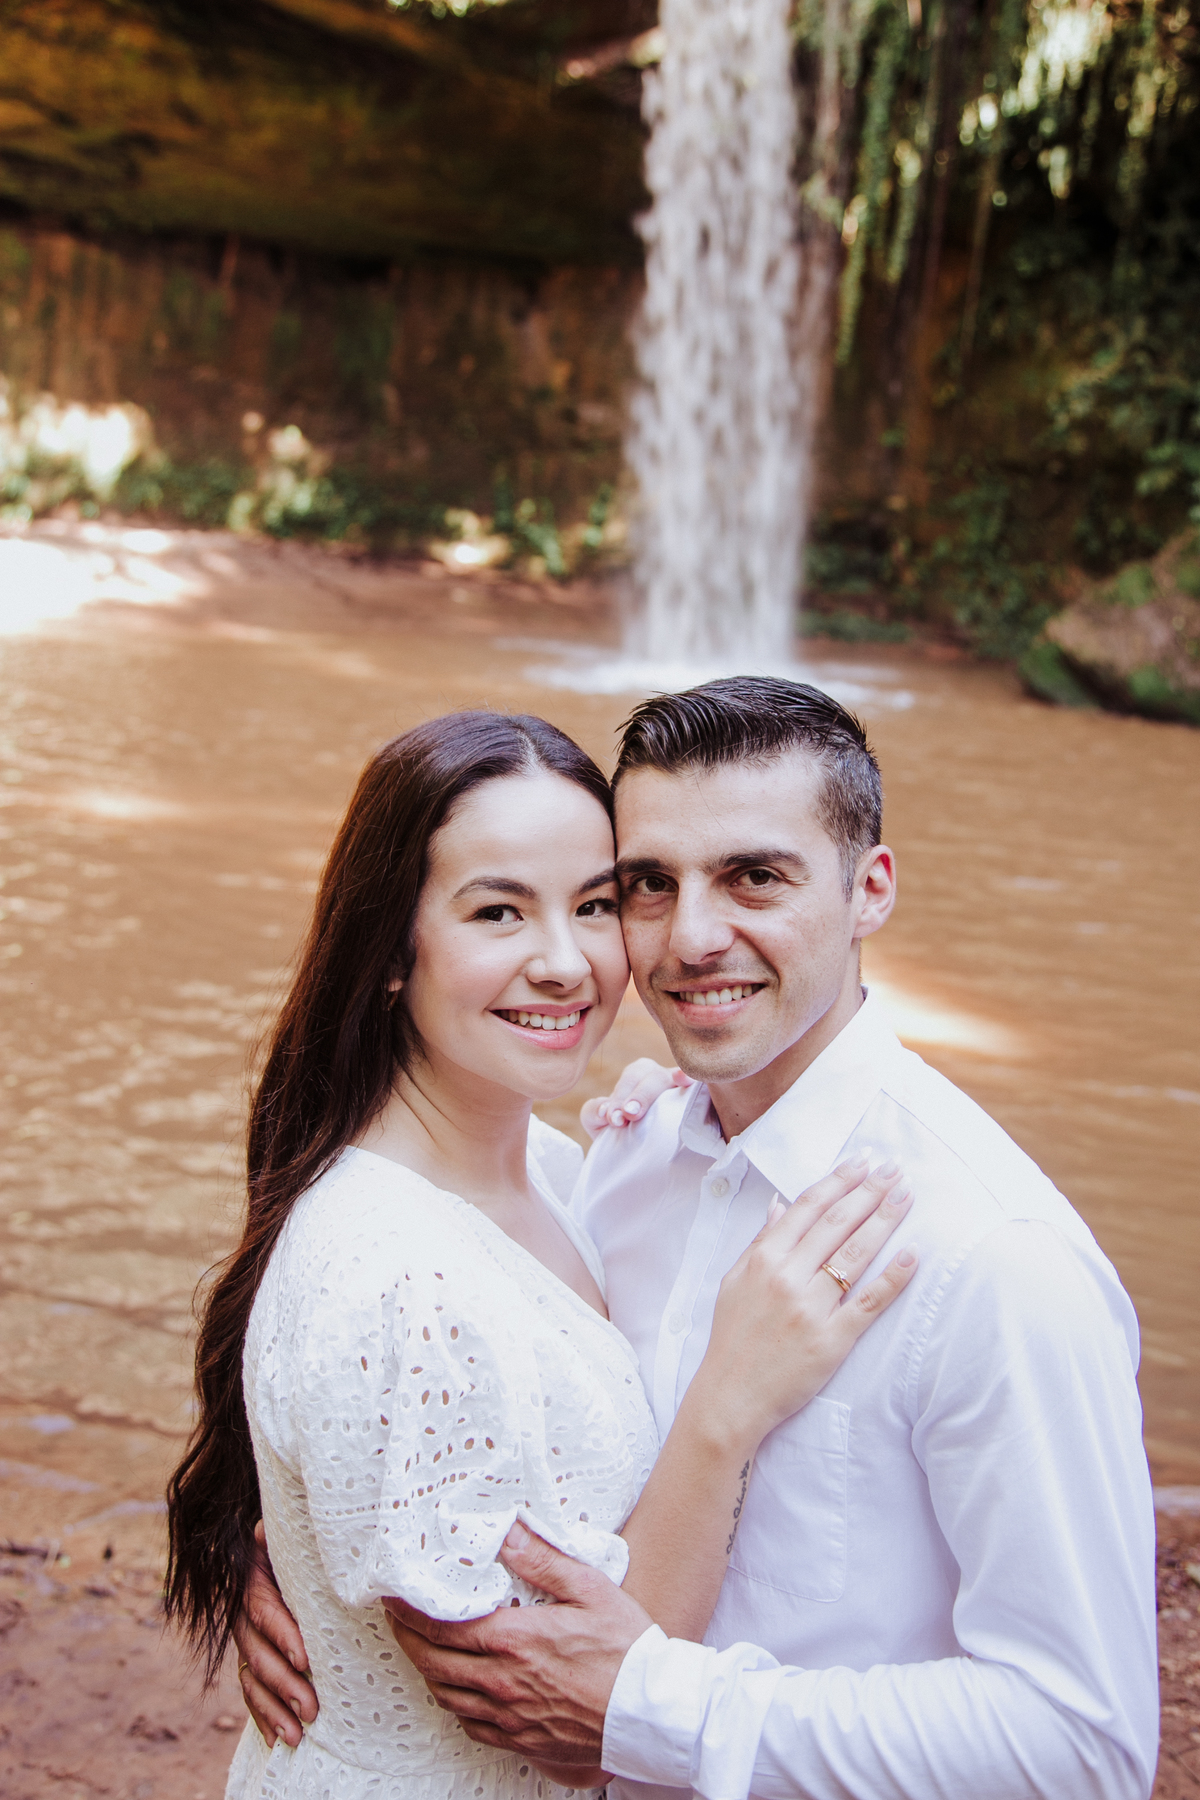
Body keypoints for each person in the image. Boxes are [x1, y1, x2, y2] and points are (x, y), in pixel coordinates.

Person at [327, 677, 1158, 1800]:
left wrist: (653, 1708)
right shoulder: (624, 1161)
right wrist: (300, 1547)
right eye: (649, 885)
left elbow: (1083, 1741)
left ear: (870, 890)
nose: (693, 939)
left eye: (755, 877)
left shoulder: (994, 1257)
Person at [165, 708, 917, 1800]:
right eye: (498, 911)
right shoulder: (400, 1280)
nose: (566, 964)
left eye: (596, 905)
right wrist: (729, 1403)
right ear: (390, 950)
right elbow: (579, 1722)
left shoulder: (564, 1173)